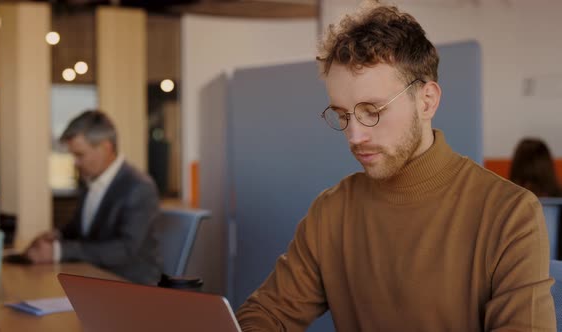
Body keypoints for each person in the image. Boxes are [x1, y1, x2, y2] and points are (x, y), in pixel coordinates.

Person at [235, 2, 555, 331]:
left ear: (427, 100)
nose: (354, 136)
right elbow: (267, 313)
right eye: (343, 115)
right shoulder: (331, 211)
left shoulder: (510, 213)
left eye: (372, 110)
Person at [25, 110, 160, 285]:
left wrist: (59, 252)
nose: (75, 162)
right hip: (94, 278)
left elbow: (125, 250)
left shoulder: (139, 187)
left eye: (80, 154)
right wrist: (56, 236)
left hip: (130, 286)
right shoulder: (91, 181)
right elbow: (82, 228)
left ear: (106, 147)